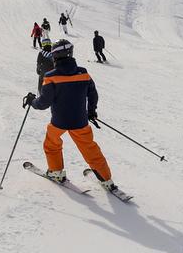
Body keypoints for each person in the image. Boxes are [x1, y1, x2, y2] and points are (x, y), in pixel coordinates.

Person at [22, 39, 117, 190]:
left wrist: (32, 101)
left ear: (55, 56)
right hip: (80, 121)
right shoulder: (83, 73)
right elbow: (93, 94)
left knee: (52, 144)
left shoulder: (51, 76)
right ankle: (106, 179)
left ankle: (56, 172)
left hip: (59, 122)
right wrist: (91, 112)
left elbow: (43, 103)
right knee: (90, 149)